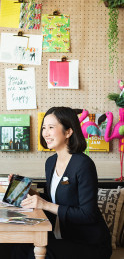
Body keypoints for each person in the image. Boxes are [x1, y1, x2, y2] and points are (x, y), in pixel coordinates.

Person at [12, 107, 112, 259]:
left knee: (39, 254)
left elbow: (88, 214)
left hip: (88, 243)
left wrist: (44, 205)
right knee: (20, 248)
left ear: (68, 132)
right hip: (60, 235)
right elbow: (54, 199)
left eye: (51, 127)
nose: (45, 133)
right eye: (44, 127)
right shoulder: (50, 162)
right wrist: (27, 190)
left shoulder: (83, 164)